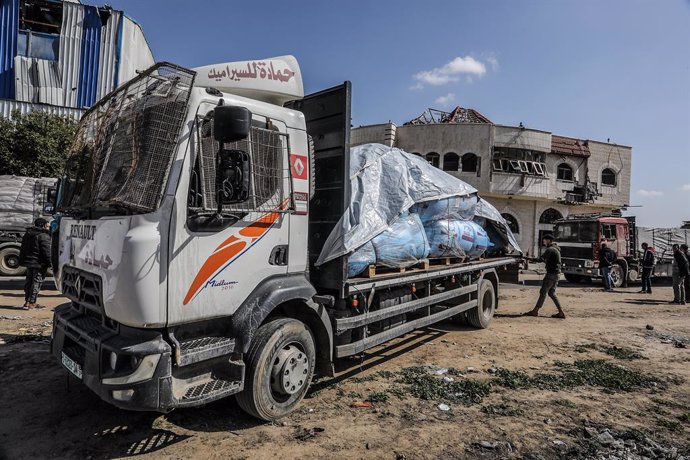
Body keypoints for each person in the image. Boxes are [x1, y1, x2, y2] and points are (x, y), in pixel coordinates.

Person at [524, 234, 566, 319]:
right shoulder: (556, 249)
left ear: (549, 241)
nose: (543, 242)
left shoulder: (550, 249)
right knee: (551, 293)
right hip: (556, 274)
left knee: (543, 292)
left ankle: (535, 311)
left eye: (545, 240)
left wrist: (528, 258)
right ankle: (561, 312)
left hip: (551, 274)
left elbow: (541, 259)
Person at [18, 217, 51, 310]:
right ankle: (32, 303)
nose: (47, 227)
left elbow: (23, 249)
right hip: (39, 263)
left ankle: (27, 302)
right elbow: (47, 252)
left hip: (29, 263)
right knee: (37, 282)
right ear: (43, 225)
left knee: (29, 282)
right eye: (47, 225)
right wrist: (51, 263)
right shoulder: (43, 236)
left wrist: (22, 260)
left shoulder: (27, 234)